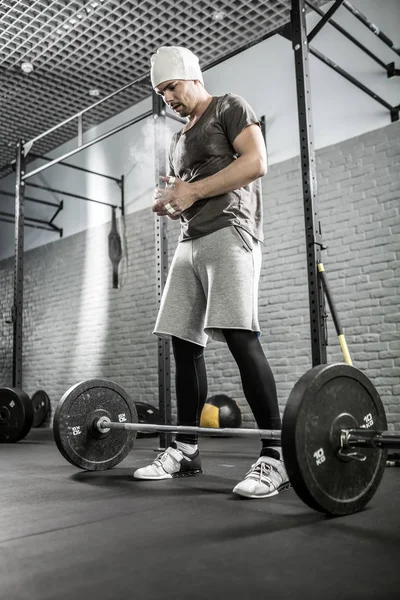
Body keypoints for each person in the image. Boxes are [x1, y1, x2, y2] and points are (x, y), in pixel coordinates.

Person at [133, 45, 290, 499]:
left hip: (231, 230)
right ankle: (185, 448)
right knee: (182, 341)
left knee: (239, 334)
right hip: (192, 238)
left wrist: (192, 191)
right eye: (162, 93)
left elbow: (256, 163)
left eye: (172, 88)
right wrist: (174, 204)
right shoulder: (180, 137)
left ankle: (274, 456)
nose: (169, 98)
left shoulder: (229, 106)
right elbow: (188, 195)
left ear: (193, 76)